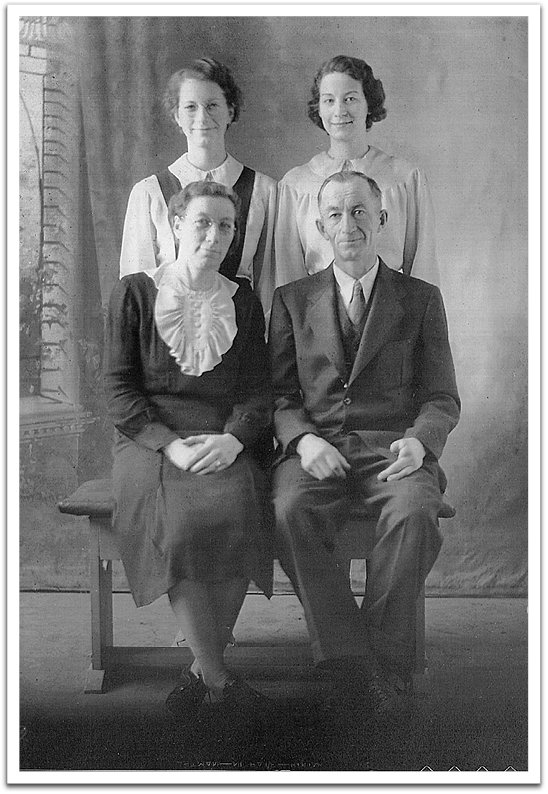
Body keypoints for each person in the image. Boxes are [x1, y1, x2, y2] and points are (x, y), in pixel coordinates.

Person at [269, 170, 460, 723]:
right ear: (320, 225)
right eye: (335, 214)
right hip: (319, 448)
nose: (348, 225)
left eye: (359, 212)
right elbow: (280, 394)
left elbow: (441, 395)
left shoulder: (421, 299)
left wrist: (420, 444)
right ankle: (349, 657)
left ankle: (381, 660)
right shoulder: (291, 300)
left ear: (380, 220)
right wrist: (302, 441)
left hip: (392, 449)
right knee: (289, 508)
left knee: (416, 512)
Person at [104, 180, 273, 718]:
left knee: (238, 510)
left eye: (226, 225)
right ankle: (221, 679)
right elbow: (117, 389)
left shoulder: (242, 300)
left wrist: (234, 438)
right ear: (175, 224)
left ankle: (201, 672)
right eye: (202, 221)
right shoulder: (135, 292)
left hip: (222, 436)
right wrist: (169, 447)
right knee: (179, 524)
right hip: (148, 437)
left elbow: (256, 389)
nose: (215, 235)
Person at [119, 57, 277, 318]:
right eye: (190, 107)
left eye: (213, 105)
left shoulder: (264, 191)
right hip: (168, 332)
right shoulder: (149, 192)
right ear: (176, 116)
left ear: (231, 111)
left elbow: (270, 286)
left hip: (238, 330)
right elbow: (137, 290)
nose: (202, 117)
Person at [275, 54, 439, 290]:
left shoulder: (405, 179)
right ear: (319, 109)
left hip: (390, 313)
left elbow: (424, 273)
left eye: (350, 98)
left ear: (368, 104)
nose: (339, 111)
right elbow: (287, 281)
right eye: (329, 100)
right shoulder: (296, 185)